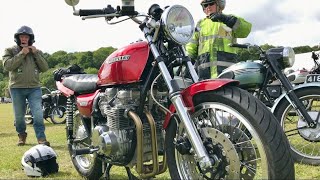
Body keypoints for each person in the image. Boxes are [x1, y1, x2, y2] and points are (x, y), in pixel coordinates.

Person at [2, 25, 50, 146]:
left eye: (26, 37)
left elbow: (45, 68)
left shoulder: (36, 52)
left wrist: (36, 54)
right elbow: (7, 66)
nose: (24, 39)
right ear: (17, 38)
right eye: (22, 36)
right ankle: (21, 134)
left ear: (30, 38)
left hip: (34, 88)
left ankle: (41, 138)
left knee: (38, 114)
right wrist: (21, 54)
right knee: (19, 116)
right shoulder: (10, 51)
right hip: (16, 88)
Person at [186, 0, 252, 80]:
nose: (208, 7)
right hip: (205, 74)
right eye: (205, 5)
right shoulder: (200, 24)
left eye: (211, 3)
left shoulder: (229, 20)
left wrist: (227, 20)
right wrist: (187, 62)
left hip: (228, 73)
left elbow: (245, 31)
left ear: (219, 5)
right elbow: (191, 46)